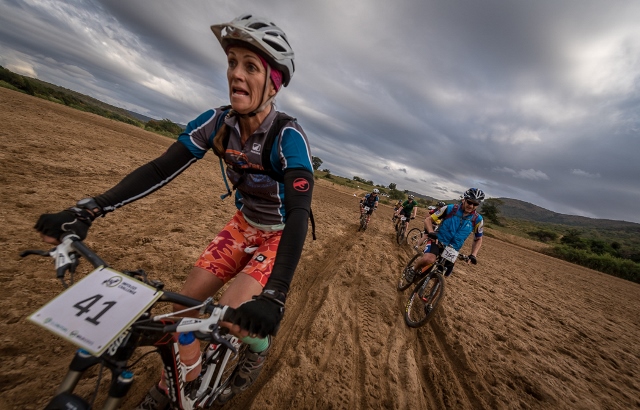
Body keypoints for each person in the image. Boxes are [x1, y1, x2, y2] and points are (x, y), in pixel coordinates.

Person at [34, 14, 313, 409]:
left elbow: (301, 210)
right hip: (242, 224)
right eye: (232, 61)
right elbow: (162, 168)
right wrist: (88, 210)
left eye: (250, 66)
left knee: (232, 318)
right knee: (183, 312)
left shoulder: (287, 135)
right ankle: (185, 386)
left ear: (275, 82)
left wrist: (276, 296)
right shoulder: (217, 122)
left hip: (278, 233)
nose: (236, 73)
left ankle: (257, 348)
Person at [405, 188, 484, 282]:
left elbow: (478, 238)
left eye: (475, 204)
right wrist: (431, 232)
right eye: (469, 202)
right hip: (438, 240)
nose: (471, 206)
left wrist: (473, 255)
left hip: (453, 249)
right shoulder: (450, 208)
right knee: (428, 259)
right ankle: (413, 270)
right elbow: (428, 220)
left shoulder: (477, 219)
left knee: (444, 275)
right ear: (464, 199)